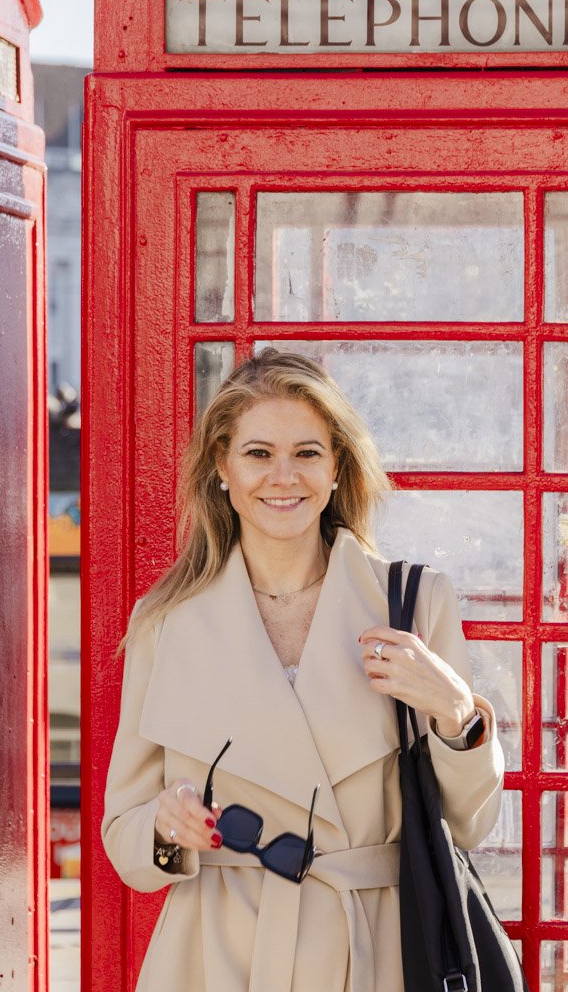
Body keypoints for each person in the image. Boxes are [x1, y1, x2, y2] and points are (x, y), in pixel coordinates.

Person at [102, 350, 506, 991]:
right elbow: (123, 832)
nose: (283, 477)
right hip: (217, 957)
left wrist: (459, 719)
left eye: (308, 453)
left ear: (338, 468)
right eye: (258, 454)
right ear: (223, 469)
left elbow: (469, 825)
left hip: (372, 953)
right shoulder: (167, 624)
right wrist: (162, 823)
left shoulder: (414, 604)